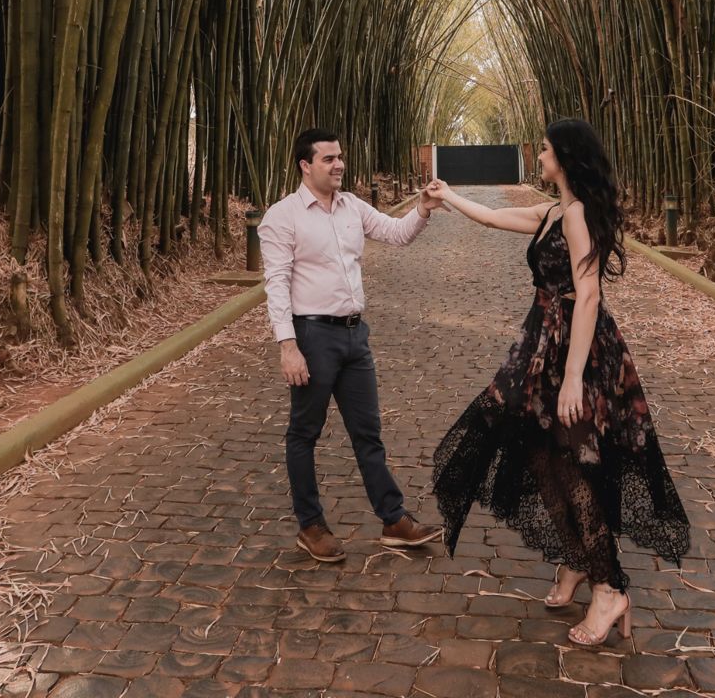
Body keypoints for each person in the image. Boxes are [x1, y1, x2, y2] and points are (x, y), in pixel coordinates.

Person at [426, 118, 690, 647]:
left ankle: (610, 588)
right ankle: (575, 556)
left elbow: (588, 295)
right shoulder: (553, 212)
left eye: (544, 150)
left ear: (565, 159)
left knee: (573, 465)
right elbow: (496, 217)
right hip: (544, 344)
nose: (538, 155)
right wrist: (448, 195)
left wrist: (572, 378)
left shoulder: (578, 218)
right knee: (542, 456)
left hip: (578, 353)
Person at [260, 127, 445, 562]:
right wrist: (288, 346)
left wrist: (422, 208)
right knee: (304, 433)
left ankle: (393, 520)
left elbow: (397, 233)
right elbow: (276, 284)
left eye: (340, 156)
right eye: (328, 159)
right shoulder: (282, 217)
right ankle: (310, 525)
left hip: (353, 335)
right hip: (312, 336)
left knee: (368, 432)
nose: (339, 164)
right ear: (306, 166)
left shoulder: (351, 206)